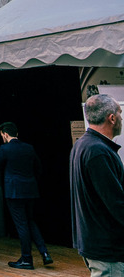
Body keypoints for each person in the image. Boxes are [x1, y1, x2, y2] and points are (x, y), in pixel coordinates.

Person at [70, 94, 124, 276]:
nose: (122, 118)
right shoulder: (97, 151)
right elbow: (115, 202)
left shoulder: (82, 145)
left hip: (94, 241)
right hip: (106, 247)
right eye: (120, 113)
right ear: (112, 118)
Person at [0, 122, 52, 270]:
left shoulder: (5, 148)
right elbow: (38, 167)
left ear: (5, 134)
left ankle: (27, 259)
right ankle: (44, 253)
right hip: (30, 190)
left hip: (14, 192)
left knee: (22, 225)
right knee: (30, 221)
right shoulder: (29, 148)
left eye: (2, 135)